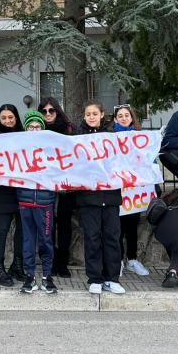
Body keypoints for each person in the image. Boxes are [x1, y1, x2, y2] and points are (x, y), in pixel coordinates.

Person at [77, 102, 125, 295]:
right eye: (88, 114)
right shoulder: (77, 139)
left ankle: (112, 278)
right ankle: (95, 278)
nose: (91, 117)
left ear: (102, 115)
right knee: (92, 238)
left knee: (113, 238)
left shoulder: (113, 137)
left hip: (111, 197)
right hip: (88, 198)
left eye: (94, 113)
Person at [16, 111, 58, 294]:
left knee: (46, 241)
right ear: (26, 129)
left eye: (38, 126)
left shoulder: (51, 150)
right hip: (25, 202)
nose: (34, 130)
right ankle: (30, 276)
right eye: (31, 127)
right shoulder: (19, 150)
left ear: (43, 128)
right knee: (27, 241)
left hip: (45, 202)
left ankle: (47, 276)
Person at [0, 104, 27, 286]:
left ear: (16, 118)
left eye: (10, 117)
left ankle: (17, 265)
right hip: (3, 189)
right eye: (4, 118)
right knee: (2, 228)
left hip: (22, 188)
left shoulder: (24, 135)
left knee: (22, 229)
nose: (7, 121)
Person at [39, 96, 75, 278]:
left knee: (64, 224)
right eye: (44, 111)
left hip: (66, 186)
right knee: (48, 225)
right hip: (44, 184)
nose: (47, 114)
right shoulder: (36, 130)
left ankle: (63, 262)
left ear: (57, 111)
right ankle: (50, 260)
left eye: (51, 110)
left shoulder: (69, 130)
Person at [111, 104, 149, 277]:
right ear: (115, 119)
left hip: (134, 190)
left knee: (132, 226)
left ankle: (132, 259)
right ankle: (118, 260)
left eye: (127, 115)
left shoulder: (140, 138)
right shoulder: (110, 138)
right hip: (117, 189)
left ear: (132, 118)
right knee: (117, 227)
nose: (124, 118)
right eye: (120, 116)